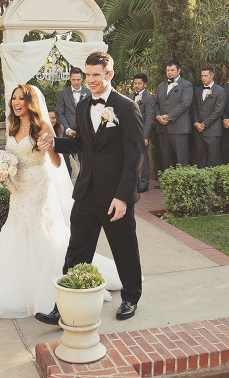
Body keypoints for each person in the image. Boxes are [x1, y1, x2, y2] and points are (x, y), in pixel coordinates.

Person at [0, 84, 121, 318]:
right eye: (14, 99)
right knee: (16, 230)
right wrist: (0, 168)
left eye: (22, 99)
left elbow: (56, 163)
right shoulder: (12, 125)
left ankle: (52, 290)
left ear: (30, 102)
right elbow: (12, 156)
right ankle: (15, 288)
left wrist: (49, 148)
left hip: (39, 184)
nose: (16, 103)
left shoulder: (43, 126)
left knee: (38, 230)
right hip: (18, 187)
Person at [36, 51, 144, 323]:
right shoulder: (84, 106)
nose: (91, 80)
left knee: (124, 248)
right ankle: (64, 307)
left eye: (97, 75)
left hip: (114, 196)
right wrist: (55, 143)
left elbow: (134, 158)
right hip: (86, 192)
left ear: (109, 74)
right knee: (77, 250)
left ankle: (130, 297)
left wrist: (122, 197)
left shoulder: (127, 108)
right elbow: (82, 144)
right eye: (88, 74)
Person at [154, 60, 193, 169]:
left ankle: (182, 184)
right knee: (166, 159)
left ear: (179, 71)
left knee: (182, 159)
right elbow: (156, 103)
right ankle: (167, 184)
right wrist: (158, 117)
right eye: (168, 70)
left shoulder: (186, 85)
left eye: (172, 70)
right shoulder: (161, 86)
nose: (169, 72)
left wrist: (168, 116)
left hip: (179, 128)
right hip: (163, 128)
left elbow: (185, 104)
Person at [192, 66, 226, 168]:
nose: (203, 78)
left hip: (213, 131)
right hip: (199, 131)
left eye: (206, 76)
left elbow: (218, 111)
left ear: (212, 75)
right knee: (200, 158)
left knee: (213, 158)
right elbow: (194, 108)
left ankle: (214, 182)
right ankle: (202, 181)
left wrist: (204, 124)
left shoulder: (220, 91)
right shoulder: (198, 91)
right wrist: (196, 122)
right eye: (202, 76)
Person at [129, 73, 155, 192]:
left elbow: (149, 118)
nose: (137, 85)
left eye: (139, 83)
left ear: (145, 84)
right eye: (135, 83)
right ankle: (134, 182)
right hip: (131, 133)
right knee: (132, 158)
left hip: (142, 133)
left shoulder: (149, 98)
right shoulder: (130, 96)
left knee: (143, 159)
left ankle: (144, 183)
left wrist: (146, 136)